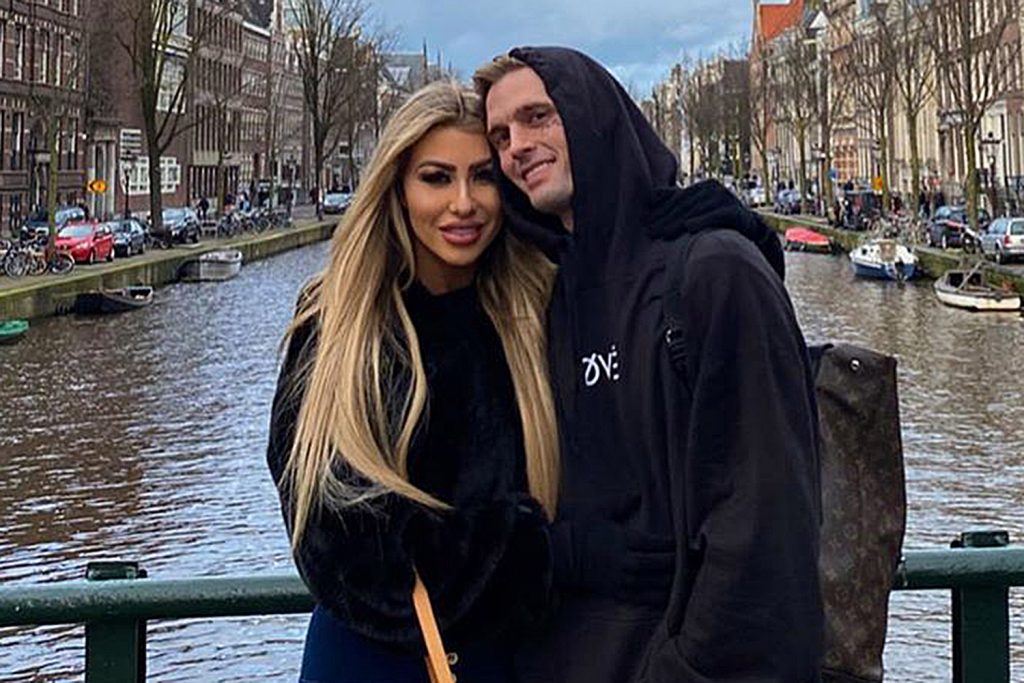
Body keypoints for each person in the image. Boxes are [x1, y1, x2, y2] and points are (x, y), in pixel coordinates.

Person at [265, 81, 664, 683]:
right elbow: (341, 539)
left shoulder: (537, 307)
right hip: (379, 659)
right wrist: (553, 555)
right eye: (436, 178)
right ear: (397, 188)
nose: (463, 203)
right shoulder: (342, 326)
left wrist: (704, 232)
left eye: (483, 177)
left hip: (521, 657)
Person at [475, 48, 823, 683]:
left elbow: (763, 522)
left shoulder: (714, 272)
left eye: (538, 117)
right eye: (500, 136)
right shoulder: (540, 296)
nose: (517, 146)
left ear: (594, 117)